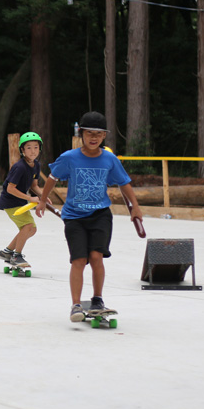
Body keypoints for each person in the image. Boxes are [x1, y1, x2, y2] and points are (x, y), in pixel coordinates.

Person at [37, 111, 143, 322]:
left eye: (98, 134)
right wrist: (42, 200)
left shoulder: (109, 159)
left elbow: (124, 183)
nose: (94, 138)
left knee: (96, 257)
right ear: (81, 134)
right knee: (79, 259)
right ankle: (76, 305)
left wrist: (135, 207)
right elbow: (52, 177)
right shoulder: (69, 158)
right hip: (74, 216)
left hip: (100, 215)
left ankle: (97, 299)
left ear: (104, 136)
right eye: (89, 133)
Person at [0, 132, 49, 269]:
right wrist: (30, 198)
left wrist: (43, 197)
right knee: (29, 227)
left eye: (36, 147)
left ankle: (7, 252)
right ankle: (16, 255)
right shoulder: (19, 167)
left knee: (30, 230)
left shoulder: (36, 165)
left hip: (19, 202)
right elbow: (10, 189)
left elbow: (34, 185)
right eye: (29, 148)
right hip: (10, 202)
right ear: (22, 150)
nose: (33, 151)